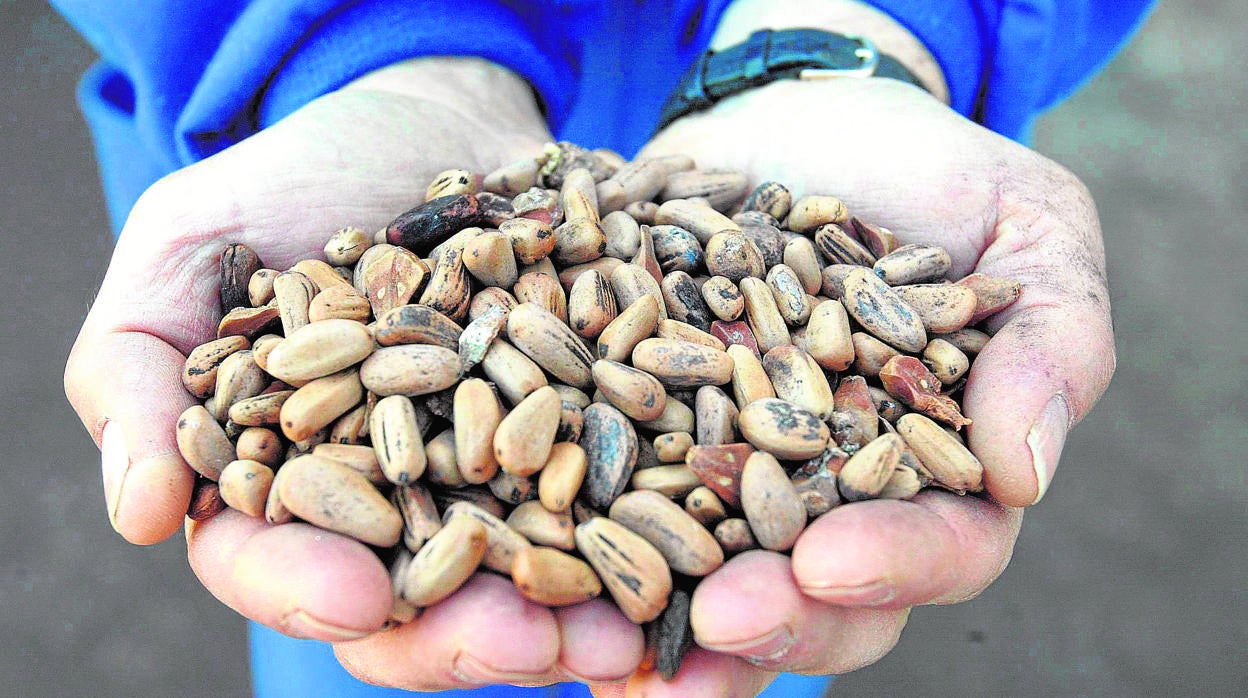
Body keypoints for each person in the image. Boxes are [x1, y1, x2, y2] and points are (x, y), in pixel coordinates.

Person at [57, 0, 1147, 695]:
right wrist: (354, 41)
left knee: (774, 607)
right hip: (323, 93)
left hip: (816, 118)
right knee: (371, 619)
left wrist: (869, 29)